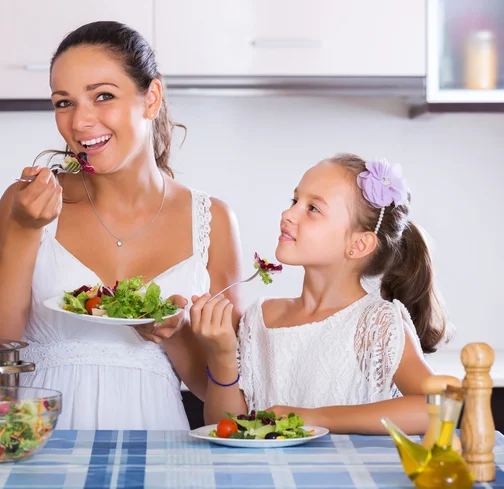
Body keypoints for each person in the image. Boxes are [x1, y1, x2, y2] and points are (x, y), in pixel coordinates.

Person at [0, 21, 243, 430]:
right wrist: (25, 230)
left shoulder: (212, 219)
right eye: (64, 102)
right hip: (41, 439)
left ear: (151, 98)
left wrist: (176, 331)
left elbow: (215, 389)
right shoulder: (26, 202)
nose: (80, 122)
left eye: (103, 96)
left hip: (156, 440)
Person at [191, 153, 450, 434]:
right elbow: (224, 428)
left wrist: (313, 418)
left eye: (313, 208)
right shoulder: (260, 318)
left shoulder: (376, 323)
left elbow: (436, 408)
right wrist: (222, 356)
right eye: (294, 201)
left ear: (359, 244)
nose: (288, 214)